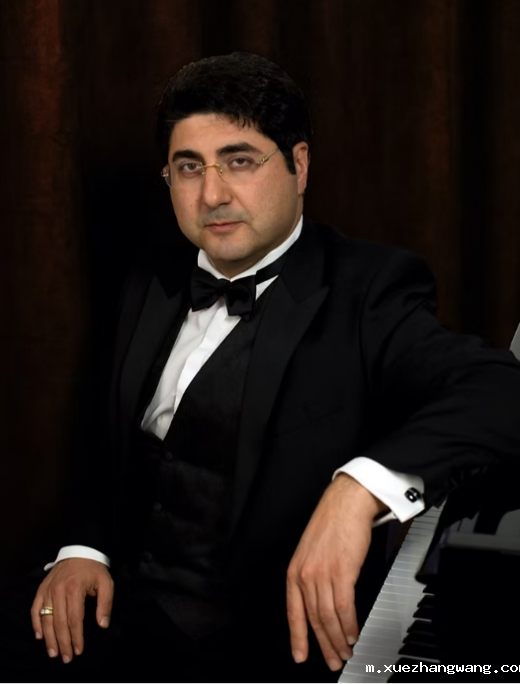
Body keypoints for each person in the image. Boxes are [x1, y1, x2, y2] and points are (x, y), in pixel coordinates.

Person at [4, 52, 520, 681]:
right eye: (188, 167)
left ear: (299, 165)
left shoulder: (370, 290)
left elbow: (502, 389)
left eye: (240, 161)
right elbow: (106, 443)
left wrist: (357, 490)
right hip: (120, 605)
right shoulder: (150, 275)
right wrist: (83, 548)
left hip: (268, 642)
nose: (212, 194)